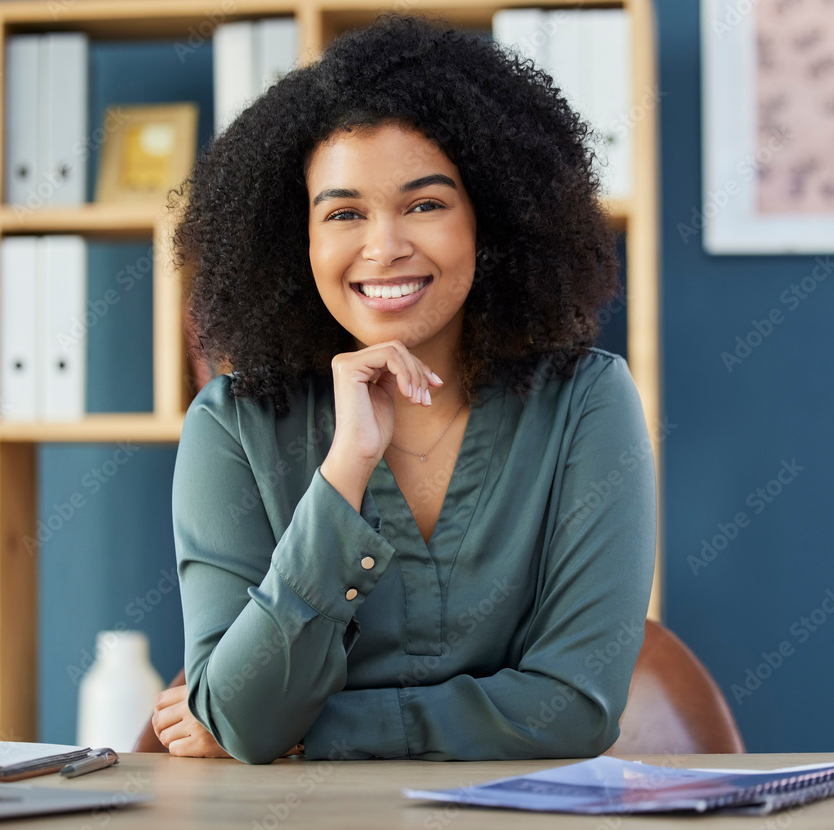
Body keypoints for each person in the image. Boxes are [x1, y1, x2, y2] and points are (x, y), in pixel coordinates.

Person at [149, 14, 656, 763]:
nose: (384, 247)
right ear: (302, 241)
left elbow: (574, 708)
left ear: (491, 220)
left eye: (425, 204)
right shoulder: (231, 427)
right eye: (344, 213)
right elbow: (244, 716)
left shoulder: (588, 404)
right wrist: (346, 467)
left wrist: (314, 732)